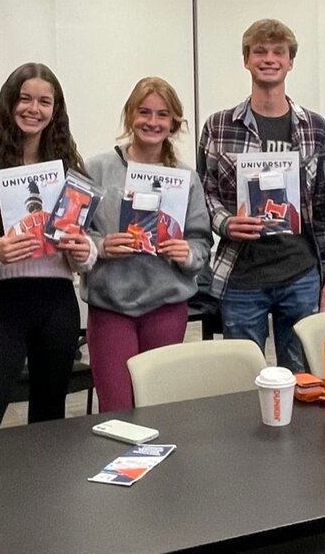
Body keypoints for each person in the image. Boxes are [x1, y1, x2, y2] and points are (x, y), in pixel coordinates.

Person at [0, 63, 94, 432]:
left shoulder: (68, 168)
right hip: (3, 304)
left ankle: (43, 490)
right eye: (25, 99)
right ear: (8, 103)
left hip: (58, 303)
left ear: (55, 110)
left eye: (44, 102)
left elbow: (87, 243)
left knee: (50, 418)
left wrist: (85, 252)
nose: (34, 109)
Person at [197, 19, 325, 373]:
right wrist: (226, 222)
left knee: (303, 376)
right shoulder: (218, 125)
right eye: (259, 51)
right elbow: (204, 194)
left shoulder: (315, 127)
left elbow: (320, 207)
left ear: (291, 62)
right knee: (244, 378)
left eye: (279, 52)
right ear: (246, 60)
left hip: (301, 273)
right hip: (242, 274)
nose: (269, 58)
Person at [83, 77, 212, 411]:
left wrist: (188, 254)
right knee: (117, 409)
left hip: (166, 306)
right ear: (130, 116)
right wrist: (100, 246)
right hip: (111, 307)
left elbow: (201, 242)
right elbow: (74, 233)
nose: (152, 122)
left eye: (162, 115)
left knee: (160, 407)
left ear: (174, 123)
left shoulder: (186, 178)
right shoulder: (96, 169)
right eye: (144, 112)